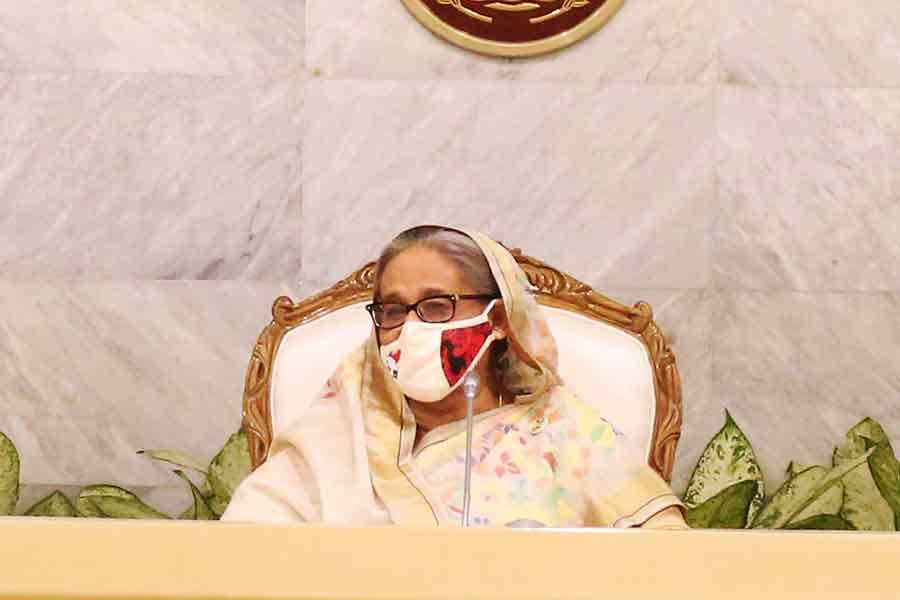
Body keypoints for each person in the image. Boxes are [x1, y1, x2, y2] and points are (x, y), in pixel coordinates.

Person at [223, 226, 687, 528]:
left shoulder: (562, 432)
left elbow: (669, 559)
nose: (410, 327)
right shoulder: (337, 428)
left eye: (436, 306)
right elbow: (243, 552)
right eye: (392, 309)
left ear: (498, 318)